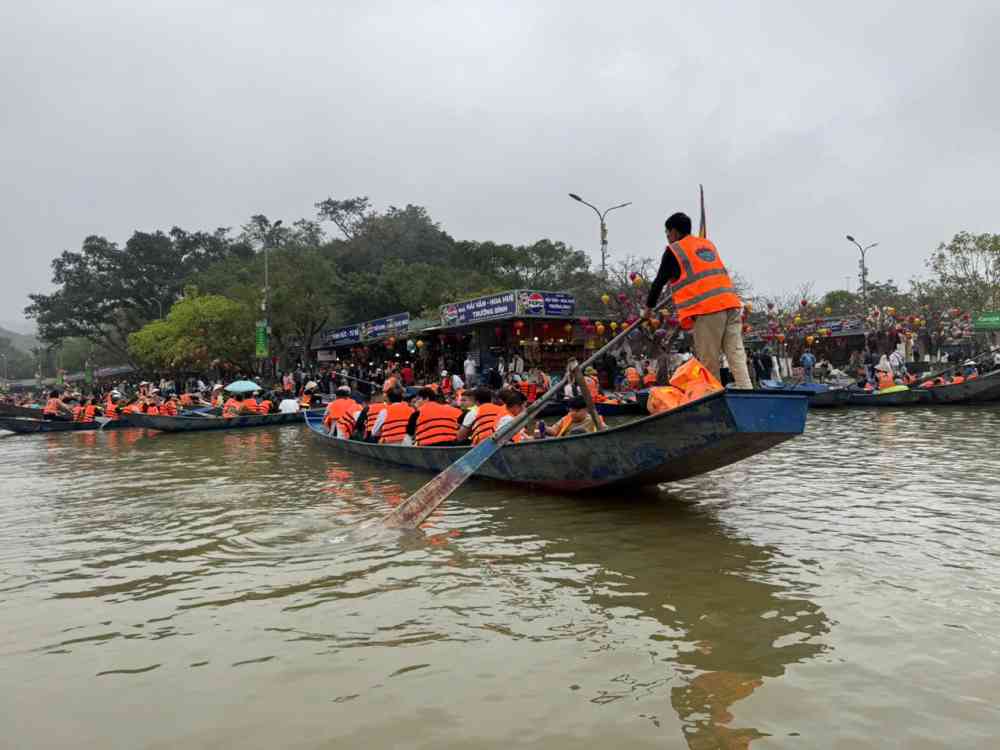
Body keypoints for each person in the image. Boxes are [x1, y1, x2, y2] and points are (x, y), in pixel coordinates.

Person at [645, 212, 752, 389]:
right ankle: (747, 392)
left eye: (667, 233)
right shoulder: (707, 245)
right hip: (731, 305)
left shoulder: (675, 250)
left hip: (707, 310)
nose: (667, 237)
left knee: (709, 360)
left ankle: (714, 399)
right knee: (736, 354)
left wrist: (648, 309)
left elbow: (659, 282)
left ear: (674, 232)